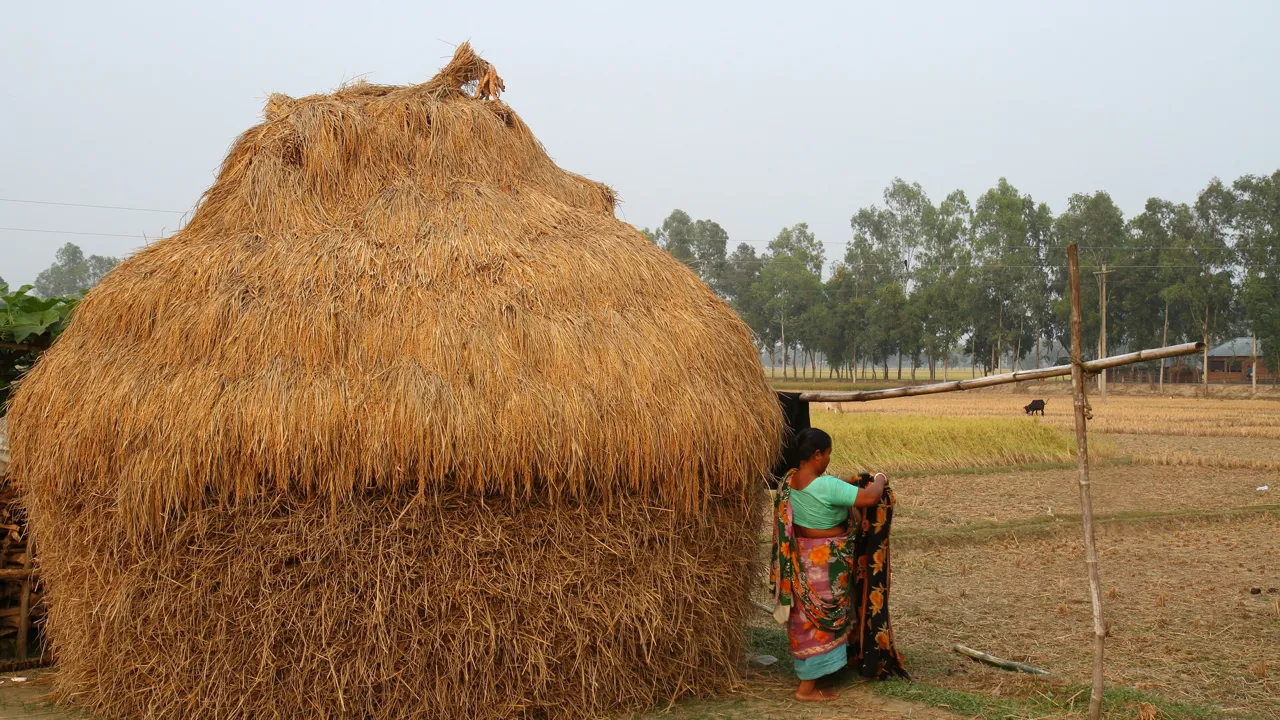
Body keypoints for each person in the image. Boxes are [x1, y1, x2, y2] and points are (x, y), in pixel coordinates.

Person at [769, 427, 887, 702]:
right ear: (817, 454)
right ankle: (806, 690)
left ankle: (817, 673)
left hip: (800, 563)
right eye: (829, 453)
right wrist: (880, 479)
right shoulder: (827, 485)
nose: (830, 459)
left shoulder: (788, 482)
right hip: (826, 564)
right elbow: (870, 497)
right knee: (821, 622)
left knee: (805, 619)